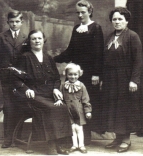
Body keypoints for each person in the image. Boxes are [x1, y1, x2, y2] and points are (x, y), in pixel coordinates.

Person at [54, 0, 104, 144]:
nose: (80, 15)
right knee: (74, 103)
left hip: (89, 74)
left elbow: (98, 53)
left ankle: (86, 137)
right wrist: (53, 59)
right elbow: (70, 51)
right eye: (78, 12)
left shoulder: (96, 28)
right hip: (75, 74)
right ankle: (75, 136)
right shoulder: (76, 28)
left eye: (83, 12)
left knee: (86, 103)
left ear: (90, 11)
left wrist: (96, 74)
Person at [15, 30, 72, 155]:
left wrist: (56, 88)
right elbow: (16, 79)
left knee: (62, 107)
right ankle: (51, 144)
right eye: (34, 39)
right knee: (51, 108)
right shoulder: (25, 57)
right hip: (33, 95)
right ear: (29, 42)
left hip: (49, 93)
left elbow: (56, 78)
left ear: (43, 40)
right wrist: (26, 89)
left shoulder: (48, 58)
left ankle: (60, 144)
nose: (37, 41)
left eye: (39, 38)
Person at [102, 7, 143, 153]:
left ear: (126, 20)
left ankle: (126, 140)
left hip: (126, 78)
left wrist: (134, 80)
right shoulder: (109, 37)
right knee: (113, 108)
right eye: (114, 19)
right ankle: (118, 138)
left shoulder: (133, 36)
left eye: (120, 19)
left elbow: (138, 61)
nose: (117, 22)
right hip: (111, 79)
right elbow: (105, 59)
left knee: (124, 109)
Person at [0, 10, 28, 148]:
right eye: (11, 22)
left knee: (20, 106)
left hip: (21, 79)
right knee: (8, 107)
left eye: (17, 21)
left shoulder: (26, 37)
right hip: (7, 78)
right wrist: (0, 75)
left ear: (21, 22)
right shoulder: (1, 37)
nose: (14, 24)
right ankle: (7, 138)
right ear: (8, 22)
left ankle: (18, 136)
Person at [55, 63, 92, 153]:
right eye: (70, 74)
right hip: (68, 111)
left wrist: (88, 111)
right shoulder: (63, 85)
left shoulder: (81, 85)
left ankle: (81, 145)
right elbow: (60, 95)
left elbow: (86, 100)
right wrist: (59, 99)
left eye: (75, 74)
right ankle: (74, 145)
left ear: (79, 74)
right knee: (72, 128)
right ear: (66, 74)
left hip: (78, 111)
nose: (73, 76)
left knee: (79, 128)